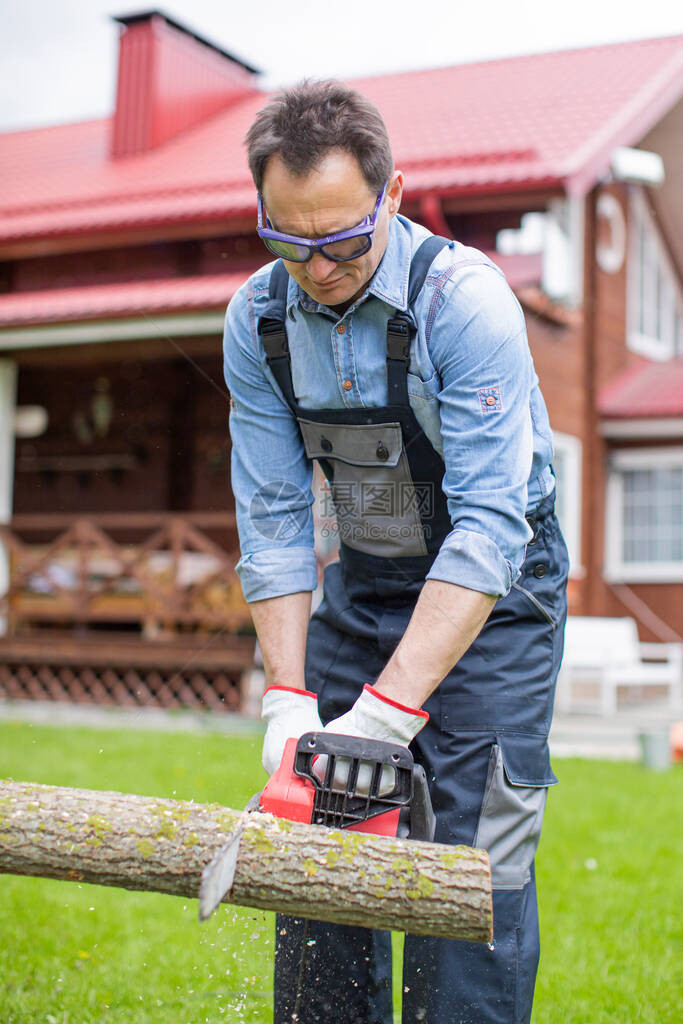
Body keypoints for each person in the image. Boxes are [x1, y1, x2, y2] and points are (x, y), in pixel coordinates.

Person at [223, 79, 568, 1024]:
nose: (316, 268)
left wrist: (389, 712)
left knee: (468, 864)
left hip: (498, 599)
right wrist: (291, 695)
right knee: (319, 843)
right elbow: (276, 514)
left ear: (394, 194)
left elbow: (491, 525)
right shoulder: (256, 320)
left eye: (338, 241)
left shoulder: (465, 304)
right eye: (288, 243)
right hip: (366, 582)